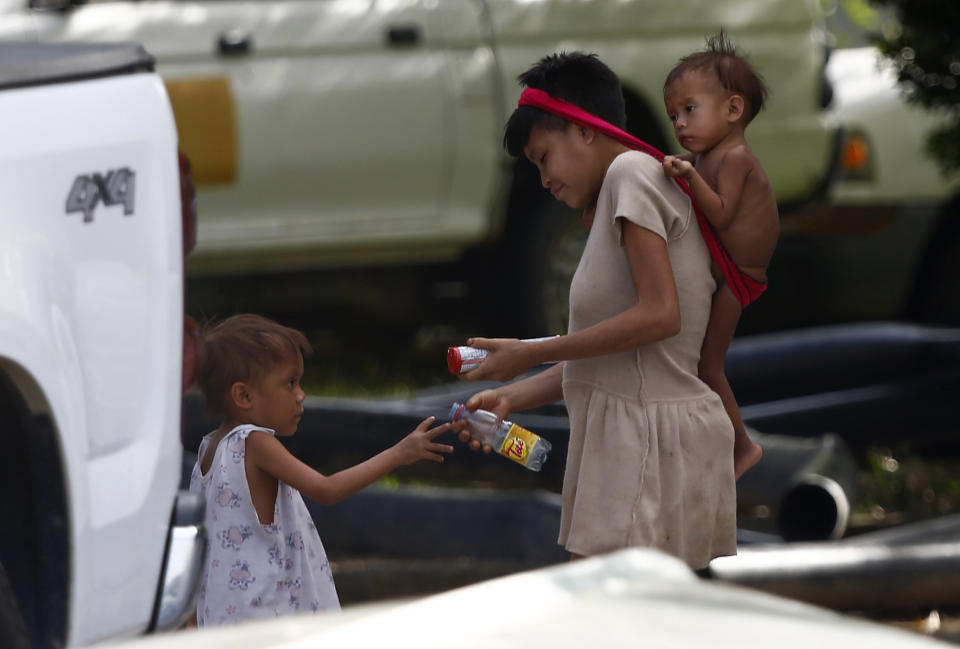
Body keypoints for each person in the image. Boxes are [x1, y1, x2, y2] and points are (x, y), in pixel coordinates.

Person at [454, 52, 737, 570]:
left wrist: (529, 351)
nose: (542, 179)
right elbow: (620, 356)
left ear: (585, 130)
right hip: (639, 438)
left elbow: (660, 316)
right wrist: (512, 395)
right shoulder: (621, 195)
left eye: (543, 157)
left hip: (647, 442)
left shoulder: (631, 172)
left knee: (604, 618)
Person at [189, 313, 453, 626]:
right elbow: (327, 490)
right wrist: (399, 453)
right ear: (244, 395)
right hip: (266, 617)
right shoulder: (255, 443)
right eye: (290, 383)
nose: (301, 395)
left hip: (224, 617)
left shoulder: (210, 449)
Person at [661, 33, 779, 479]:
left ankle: (742, 447)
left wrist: (689, 175)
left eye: (690, 109)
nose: (680, 123)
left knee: (708, 364)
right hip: (722, 267)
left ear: (732, 109)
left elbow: (724, 215)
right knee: (690, 356)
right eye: (674, 114)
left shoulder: (735, 159)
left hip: (739, 276)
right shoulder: (704, 156)